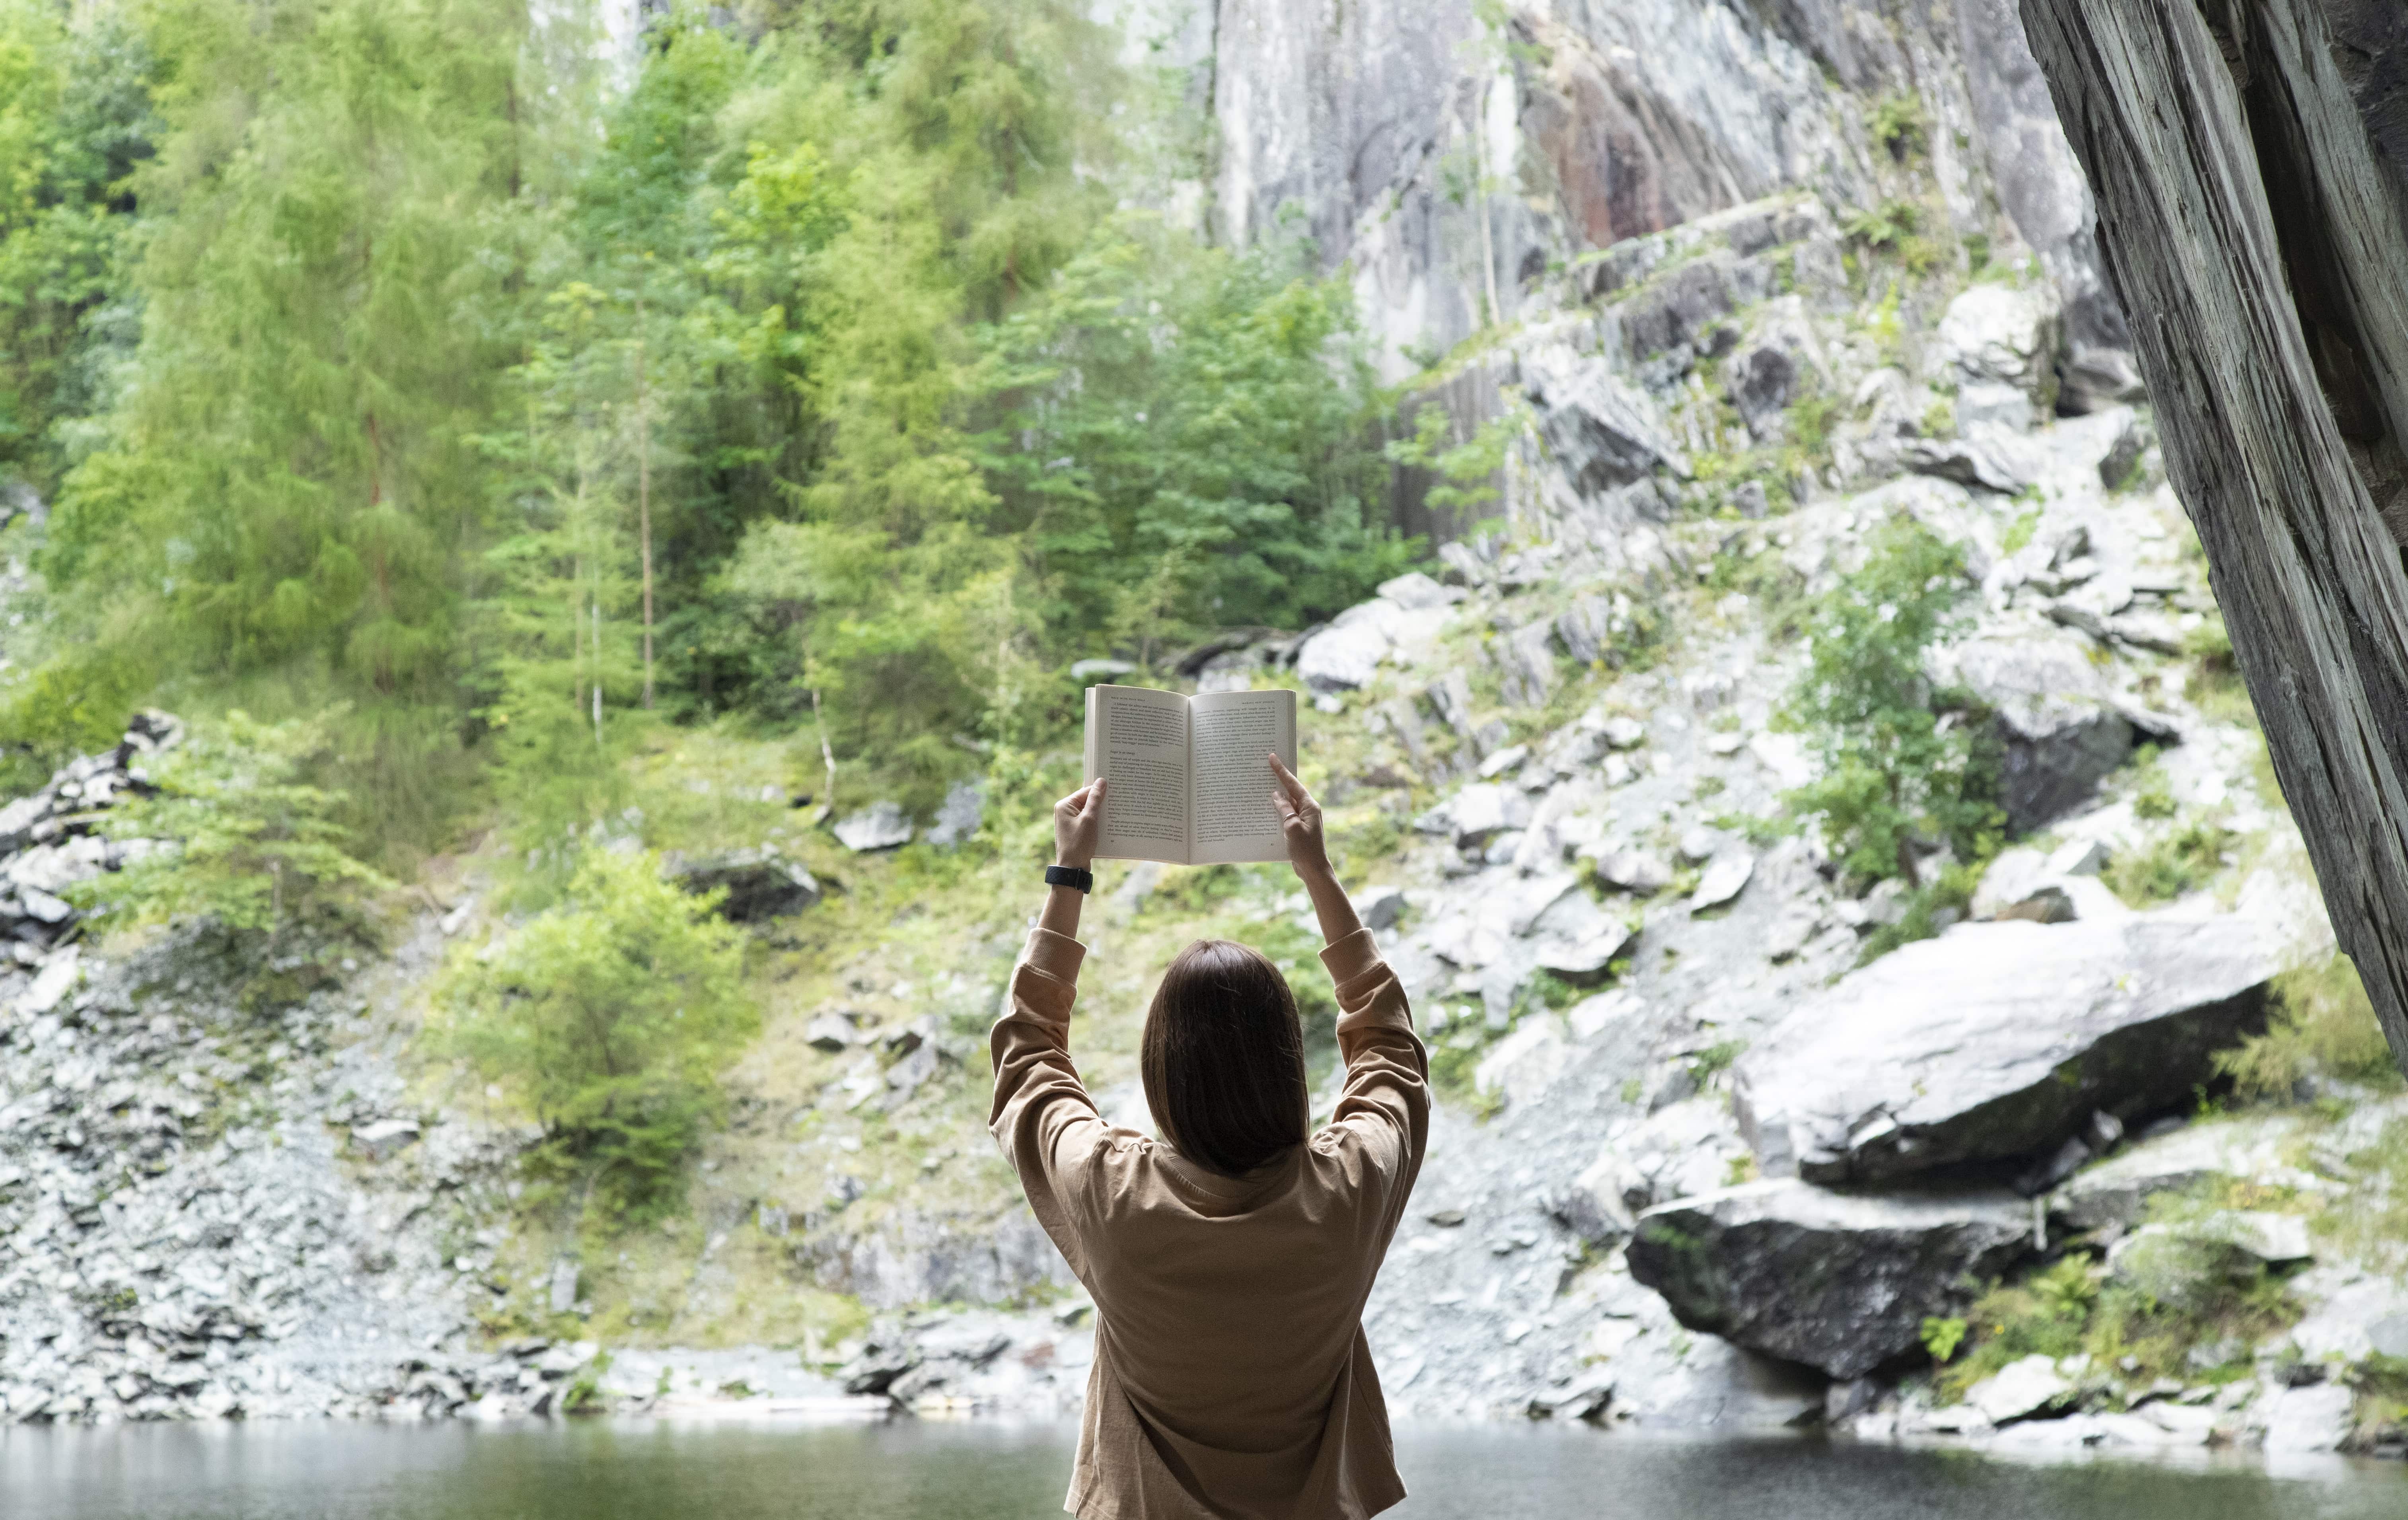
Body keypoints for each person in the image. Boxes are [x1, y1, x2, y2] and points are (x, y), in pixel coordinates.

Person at [990, 754, 1431, 1520]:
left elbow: (1028, 1055)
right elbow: (1390, 1049)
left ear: (1161, 1069)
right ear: (1290, 1064)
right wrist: (1317, 874)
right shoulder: (1350, 1185)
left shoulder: (1109, 1191)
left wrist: (1069, 875)